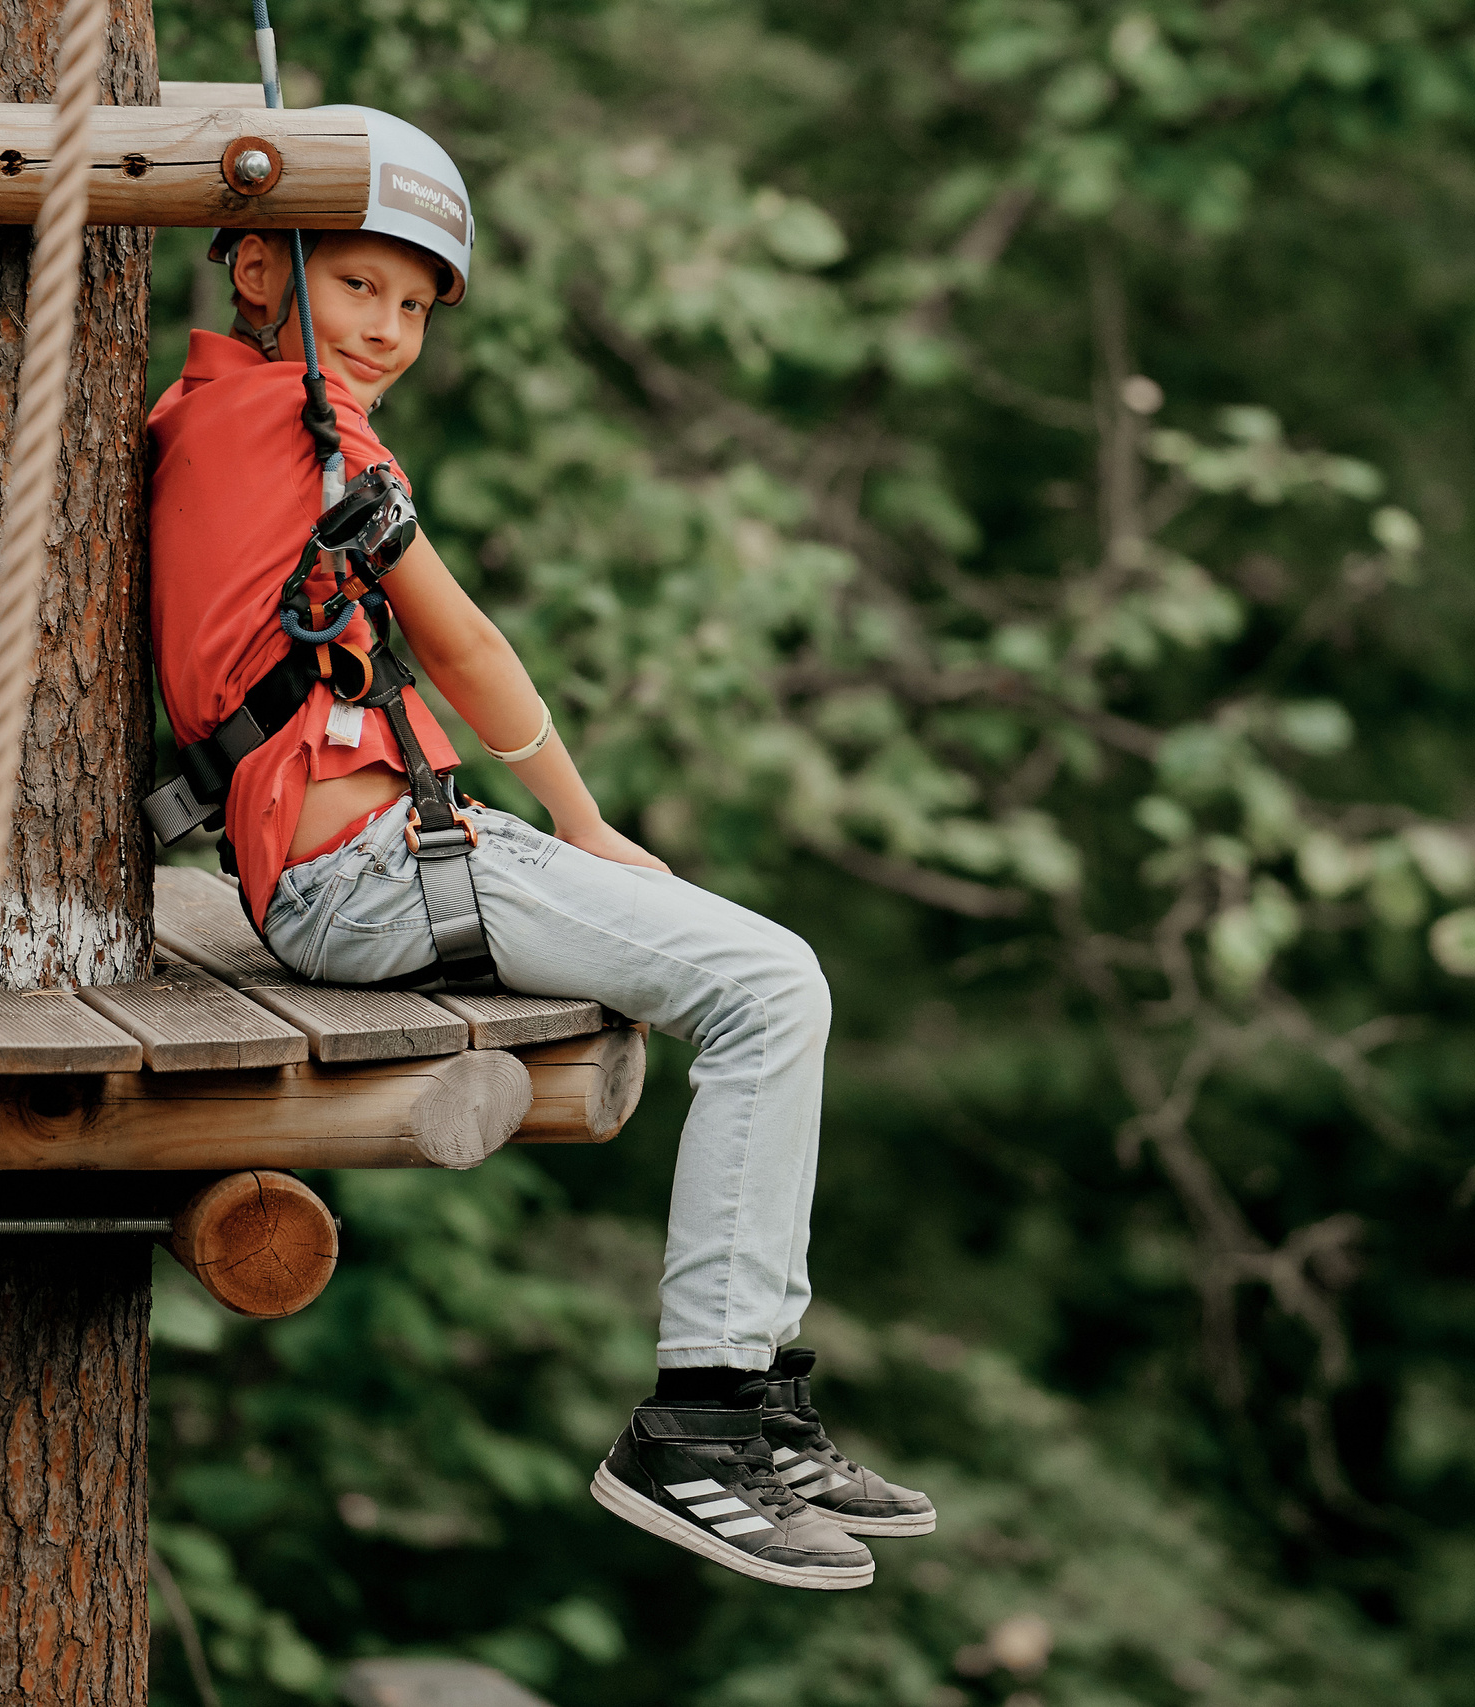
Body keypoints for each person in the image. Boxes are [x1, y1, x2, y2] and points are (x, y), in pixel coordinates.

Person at [144, 128, 932, 1591]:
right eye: (359, 285)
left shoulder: (216, 413)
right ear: (260, 267)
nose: (387, 328)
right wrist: (581, 819)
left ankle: (749, 1402)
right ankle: (703, 1419)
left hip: (382, 848)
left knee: (760, 976)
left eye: (415, 306)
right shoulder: (300, 430)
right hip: (365, 868)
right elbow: (461, 641)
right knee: (775, 985)